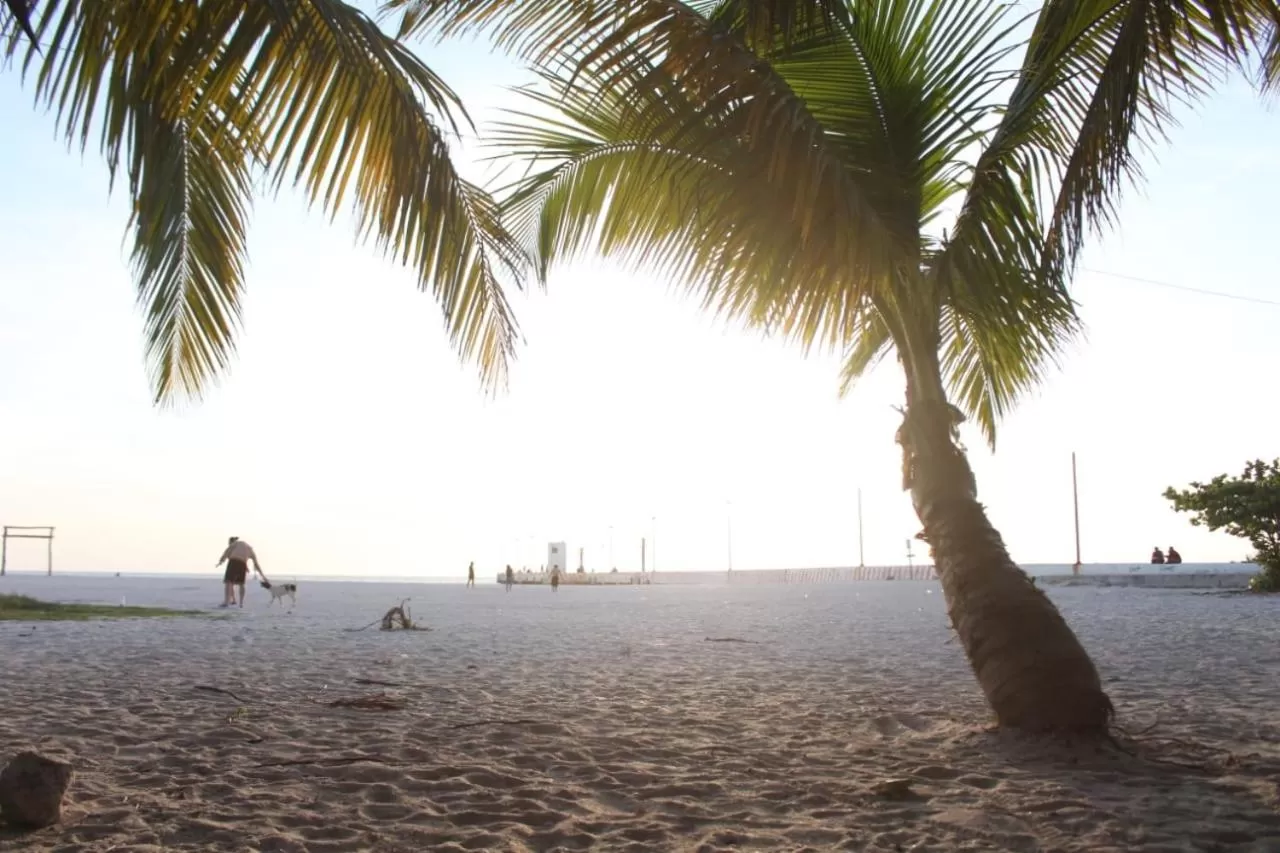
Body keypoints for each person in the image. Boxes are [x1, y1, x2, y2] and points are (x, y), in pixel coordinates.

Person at [216, 536, 263, 608]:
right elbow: (252, 560)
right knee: (241, 584)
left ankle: (227, 602)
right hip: (242, 564)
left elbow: (226, 552)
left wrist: (221, 561)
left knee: (229, 582)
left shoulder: (235, 544)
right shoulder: (247, 547)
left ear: (231, 542)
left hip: (233, 563)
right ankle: (241, 603)